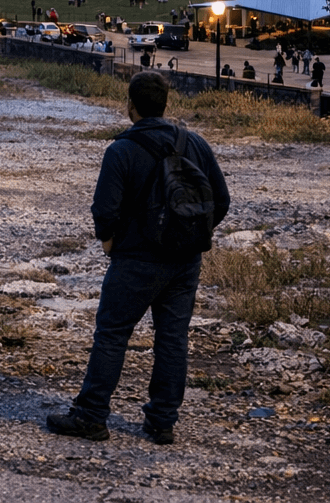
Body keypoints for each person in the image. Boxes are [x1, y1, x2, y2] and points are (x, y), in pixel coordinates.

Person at [46, 72, 230, 445]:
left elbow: (104, 210)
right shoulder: (194, 143)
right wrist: (193, 236)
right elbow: (221, 201)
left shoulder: (121, 150)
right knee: (173, 339)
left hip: (135, 259)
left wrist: (109, 240)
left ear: (130, 104)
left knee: (112, 335)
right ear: (166, 103)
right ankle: (162, 422)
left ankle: (92, 415)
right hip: (184, 261)